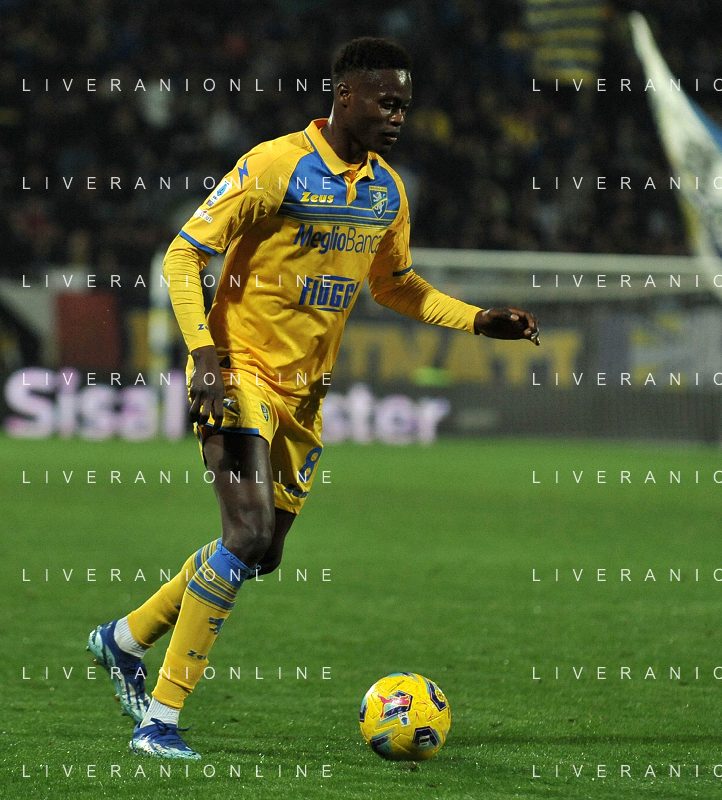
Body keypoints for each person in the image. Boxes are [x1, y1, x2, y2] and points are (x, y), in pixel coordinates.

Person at [85, 37, 539, 759]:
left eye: (404, 105)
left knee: (261, 553)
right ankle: (159, 722)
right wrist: (204, 357)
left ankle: (123, 639)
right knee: (244, 535)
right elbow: (183, 252)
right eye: (386, 102)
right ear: (345, 96)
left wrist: (477, 320)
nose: (398, 116)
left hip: (304, 396)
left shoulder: (386, 191)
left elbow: (395, 285)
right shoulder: (275, 166)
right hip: (239, 374)